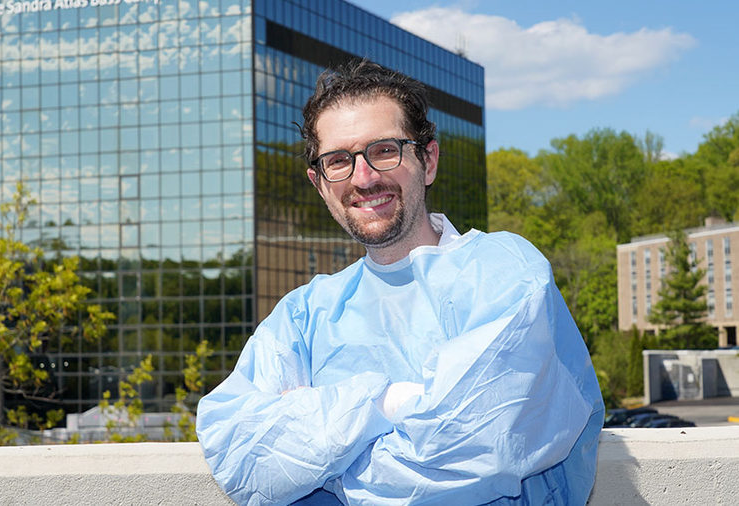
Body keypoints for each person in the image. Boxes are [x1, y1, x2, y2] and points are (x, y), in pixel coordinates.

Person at [196, 60, 604, 506]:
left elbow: (474, 448)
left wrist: (324, 437)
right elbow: (243, 453)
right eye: (338, 161)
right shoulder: (304, 313)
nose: (364, 177)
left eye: (384, 150)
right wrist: (387, 404)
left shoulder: (505, 273)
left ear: (427, 160)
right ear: (319, 184)